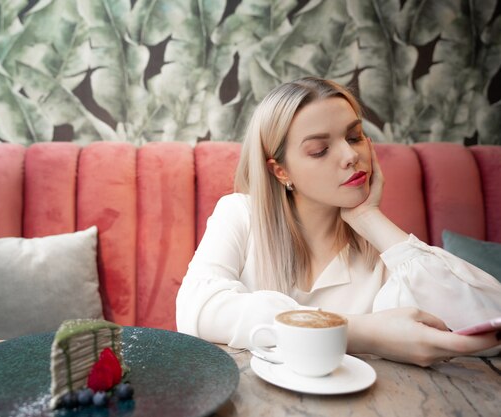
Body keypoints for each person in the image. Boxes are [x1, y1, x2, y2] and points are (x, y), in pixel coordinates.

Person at [176, 77, 501, 366]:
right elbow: (198, 310)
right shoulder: (240, 214)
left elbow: (489, 321)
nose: (350, 155)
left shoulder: (384, 257)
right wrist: (362, 332)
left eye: (355, 136)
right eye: (319, 150)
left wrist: (369, 217)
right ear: (281, 171)